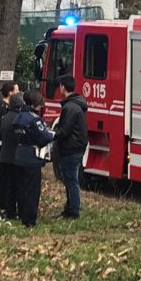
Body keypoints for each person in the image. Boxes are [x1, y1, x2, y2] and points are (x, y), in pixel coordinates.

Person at [11, 90, 55, 228]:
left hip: (19, 155)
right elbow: (45, 137)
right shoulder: (34, 119)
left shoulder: (18, 117)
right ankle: (30, 219)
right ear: (36, 104)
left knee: (21, 189)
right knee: (32, 190)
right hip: (32, 157)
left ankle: (23, 214)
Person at [51, 75, 88, 219]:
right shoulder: (77, 104)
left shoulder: (70, 107)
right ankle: (70, 207)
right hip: (76, 147)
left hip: (70, 148)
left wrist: (52, 134)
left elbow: (65, 130)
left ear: (62, 87)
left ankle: (73, 211)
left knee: (71, 180)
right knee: (71, 179)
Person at [0, 93, 25, 221]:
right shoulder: (18, 119)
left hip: (3, 155)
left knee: (5, 184)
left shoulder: (5, 118)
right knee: (15, 185)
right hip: (15, 157)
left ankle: (5, 209)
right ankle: (13, 211)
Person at [0, 82, 19, 159]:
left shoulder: (13, 107)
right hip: (2, 145)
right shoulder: (2, 107)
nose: (18, 92)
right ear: (10, 92)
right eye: (17, 90)